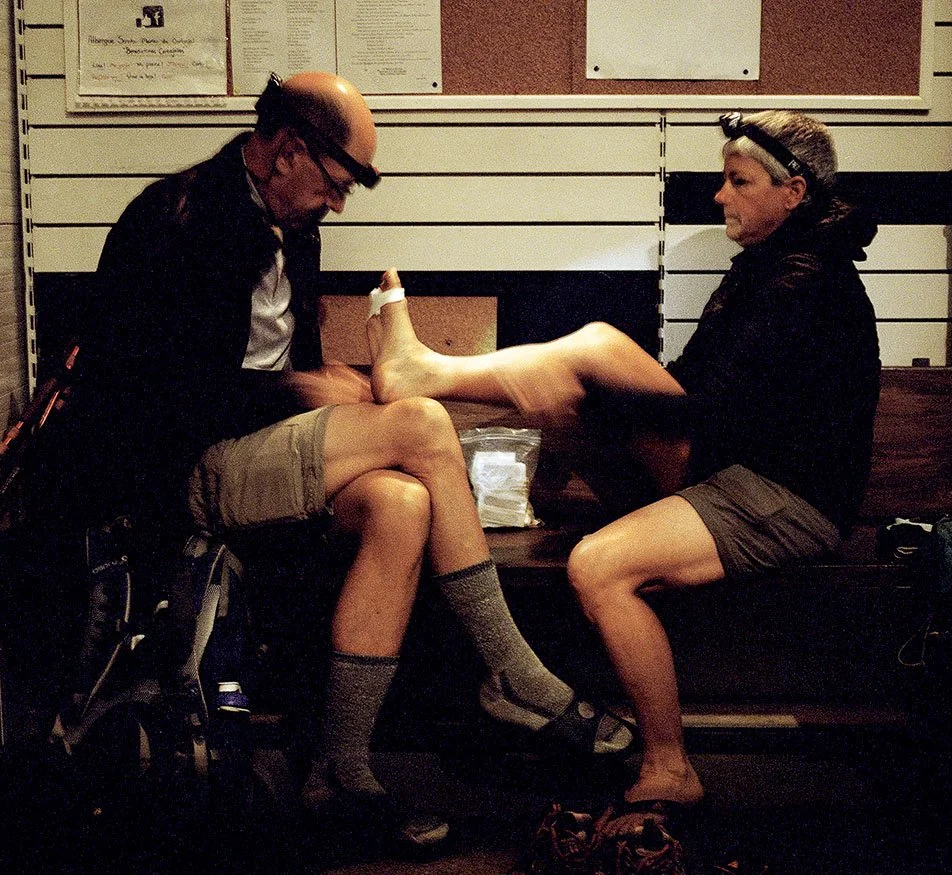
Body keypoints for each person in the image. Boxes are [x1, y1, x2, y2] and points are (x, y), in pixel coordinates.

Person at [55, 70, 633, 851]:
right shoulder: (180, 221)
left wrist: (322, 394)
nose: (340, 200)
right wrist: (306, 390)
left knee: (404, 503)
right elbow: (168, 400)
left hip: (250, 457)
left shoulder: (295, 227)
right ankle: (513, 673)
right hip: (177, 472)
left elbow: (288, 367)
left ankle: (341, 770)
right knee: (422, 423)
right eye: (338, 181)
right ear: (286, 150)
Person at [365, 109, 881, 829]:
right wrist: (574, 408)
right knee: (589, 366)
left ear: (792, 192)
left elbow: (702, 415)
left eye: (738, 181)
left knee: (597, 557)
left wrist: (591, 385)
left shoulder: (807, 285)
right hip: (734, 475)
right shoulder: (766, 272)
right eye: (722, 180)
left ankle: (671, 765)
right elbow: (697, 395)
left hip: (787, 498)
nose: (719, 196)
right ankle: (427, 373)